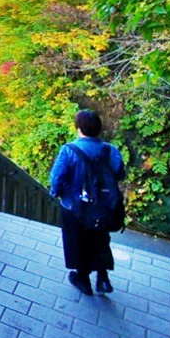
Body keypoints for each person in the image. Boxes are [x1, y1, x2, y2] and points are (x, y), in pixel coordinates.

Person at [49, 109, 126, 295]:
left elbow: (56, 178)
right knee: (100, 239)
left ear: (79, 129)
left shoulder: (69, 150)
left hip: (75, 207)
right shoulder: (110, 150)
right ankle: (103, 277)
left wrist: (56, 193)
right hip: (103, 206)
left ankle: (82, 278)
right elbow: (120, 174)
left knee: (78, 241)